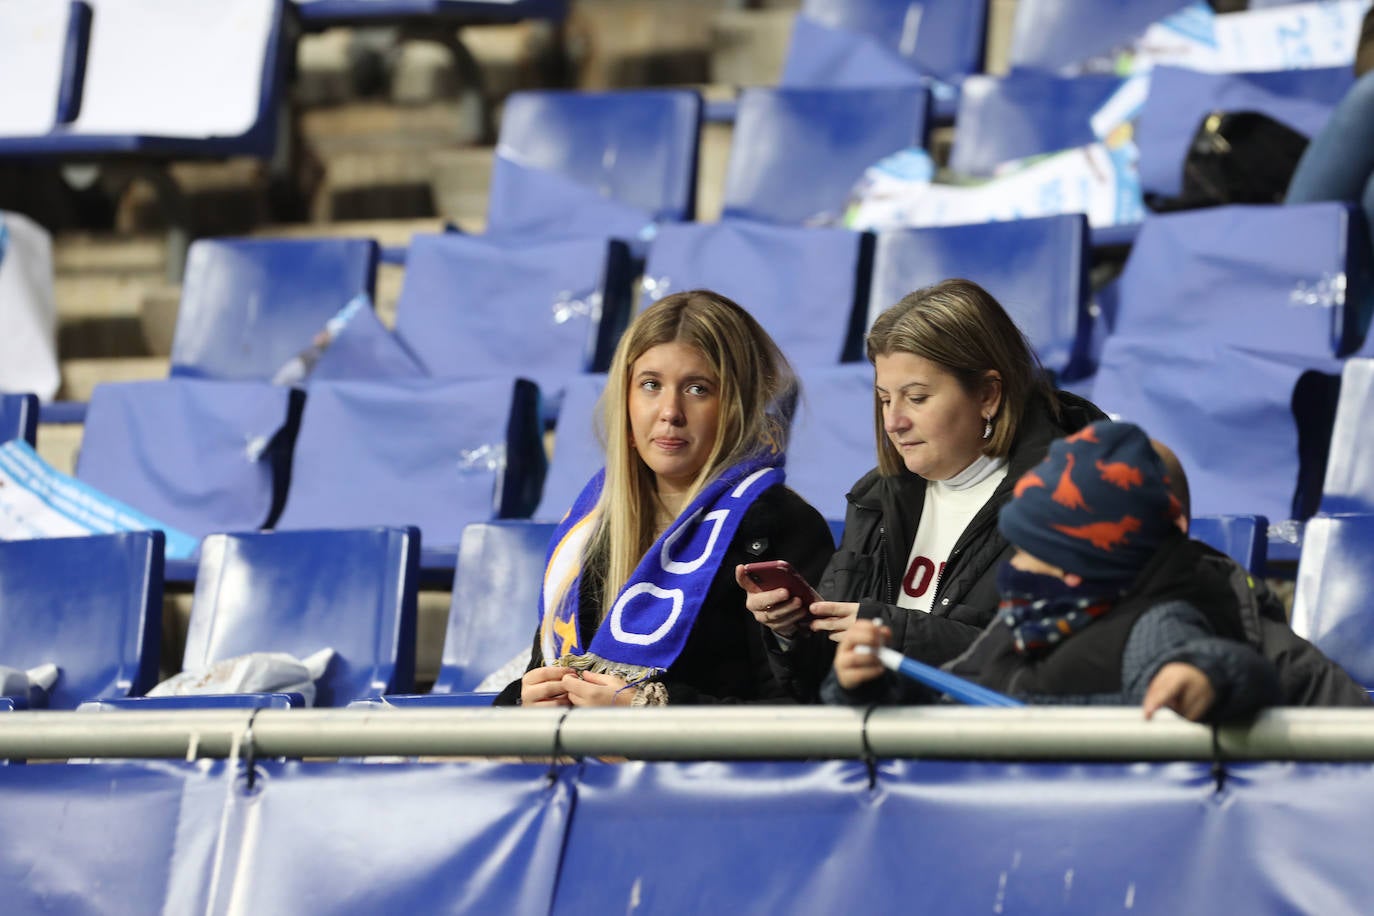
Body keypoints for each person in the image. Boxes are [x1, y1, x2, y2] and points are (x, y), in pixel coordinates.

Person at [739, 278, 1105, 701]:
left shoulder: (1074, 498)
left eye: (916, 398)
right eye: (884, 399)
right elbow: (824, 684)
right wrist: (792, 632)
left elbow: (1052, 668)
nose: (894, 422)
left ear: (988, 394)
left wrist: (891, 632)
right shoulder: (876, 499)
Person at [494, 290, 834, 707]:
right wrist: (523, 702)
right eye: (651, 385)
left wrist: (647, 710)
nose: (670, 411)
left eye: (697, 389)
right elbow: (542, 671)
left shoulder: (782, 526)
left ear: (738, 405)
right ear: (627, 399)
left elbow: (794, 719)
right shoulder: (590, 526)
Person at [830, 421, 1281, 722]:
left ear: (1087, 563)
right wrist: (870, 687)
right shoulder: (1019, 625)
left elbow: (1243, 674)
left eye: (1034, 553)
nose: (1016, 567)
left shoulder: (1155, 626)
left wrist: (1207, 675)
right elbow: (950, 702)